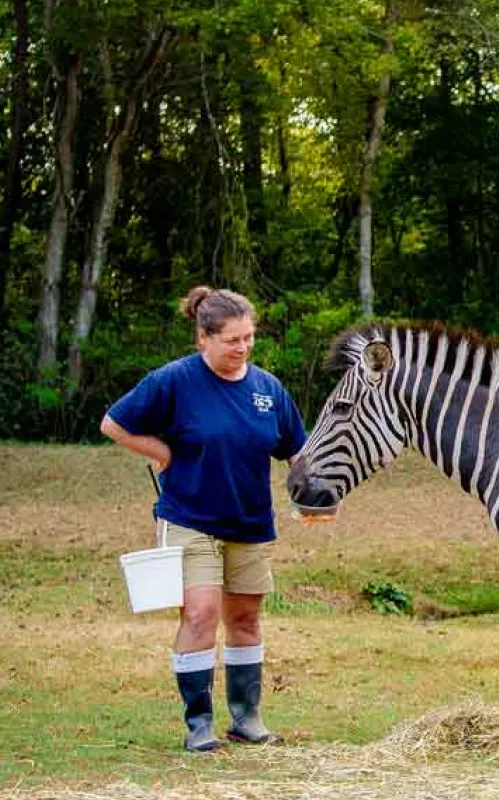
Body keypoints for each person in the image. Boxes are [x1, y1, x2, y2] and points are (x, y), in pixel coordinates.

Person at [100, 286, 308, 752]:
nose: (243, 348)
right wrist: (162, 453)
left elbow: (296, 448)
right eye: (232, 340)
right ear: (203, 339)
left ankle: (246, 718)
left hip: (250, 523)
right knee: (200, 614)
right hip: (190, 518)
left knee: (246, 617)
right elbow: (114, 423)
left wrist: (320, 490)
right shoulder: (173, 381)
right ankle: (199, 726)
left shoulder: (268, 389)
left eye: (249, 338)